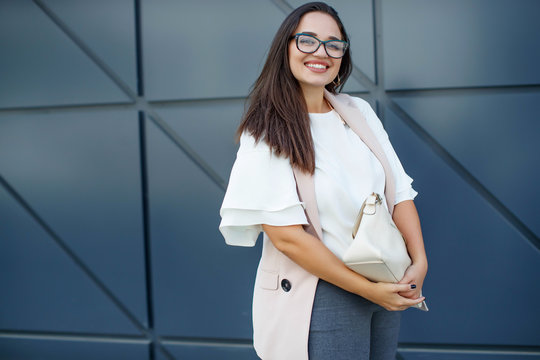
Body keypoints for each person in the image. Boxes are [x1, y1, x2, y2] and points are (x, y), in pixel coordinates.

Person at [219, 2, 428, 359]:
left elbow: (398, 191)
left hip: (385, 275)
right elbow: (288, 239)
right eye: (308, 40)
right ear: (285, 47)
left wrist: (419, 261)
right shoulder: (266, 132)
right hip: (321, 292)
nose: (322, 52)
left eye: (334, 44)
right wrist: (365, 289)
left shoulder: (358, 112)